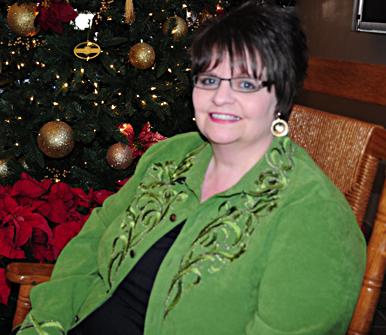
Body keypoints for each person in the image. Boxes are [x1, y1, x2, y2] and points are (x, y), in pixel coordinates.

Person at [17, 1, 366, 335]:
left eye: (246, 83)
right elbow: (91, 244)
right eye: (209, 79)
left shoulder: (315, 217)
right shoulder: (167, 156)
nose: (220, 97)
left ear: (282, 96)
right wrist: (43, 325)